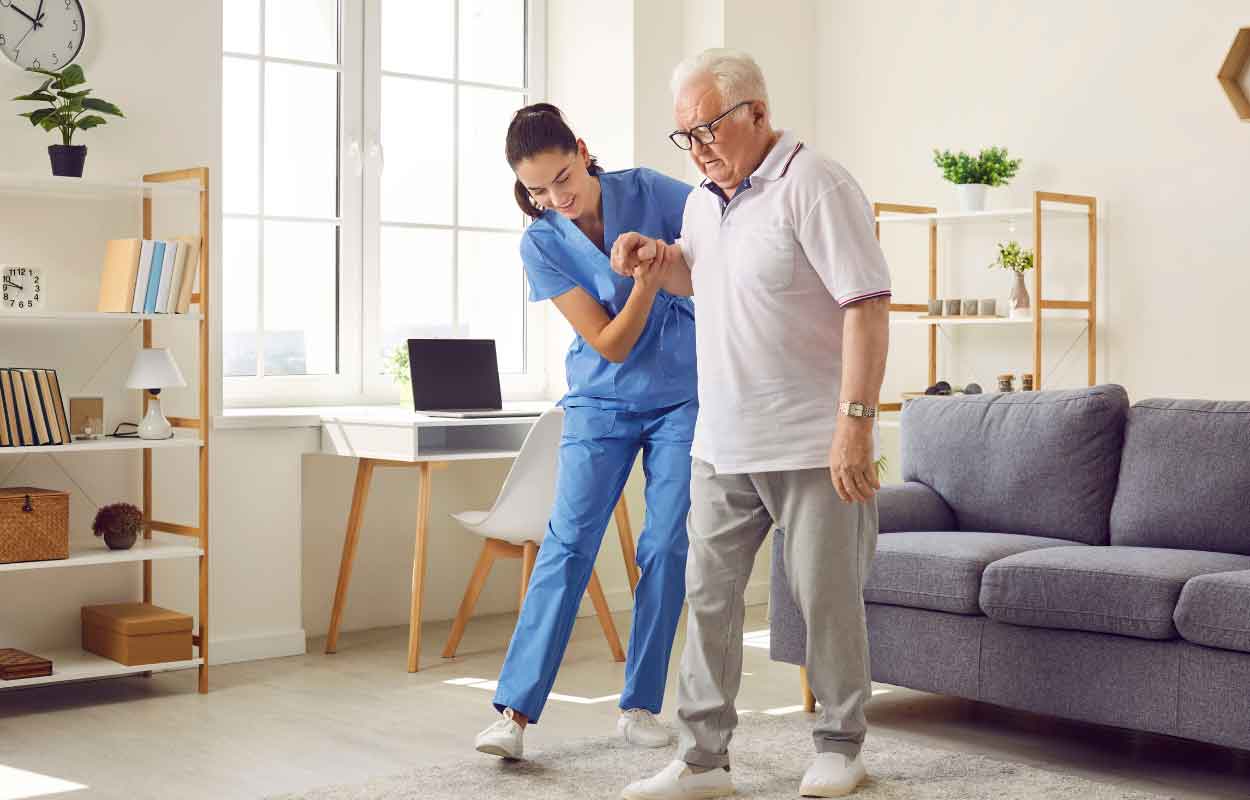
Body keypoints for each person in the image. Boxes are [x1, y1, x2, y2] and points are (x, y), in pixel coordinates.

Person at [614, 50, 891, 799]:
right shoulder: (703, 202)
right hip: (724, 442)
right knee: (707, 598)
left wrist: (856, 425)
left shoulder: (817, 184)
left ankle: (841, 745)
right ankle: (703, 760)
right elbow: (705, 276)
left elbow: (866, 306)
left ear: (757, 114)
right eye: (686, 134)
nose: (698, 146)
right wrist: (658, 258)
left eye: (708, 127)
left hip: (812, 441)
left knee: (825, 598)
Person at [474, 103, 698, 761]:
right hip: (600, 402)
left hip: (683, 398)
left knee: (664, 546)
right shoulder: (542, 241)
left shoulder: (653, 191)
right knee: (568, 545)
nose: (556, 198)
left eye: (563, 177)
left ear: (581, 149)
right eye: (538, 190)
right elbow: (608, 342)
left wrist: (670, 264)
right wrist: (650, 283)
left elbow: (724, 227)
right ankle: (513, 715)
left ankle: (639, 706)